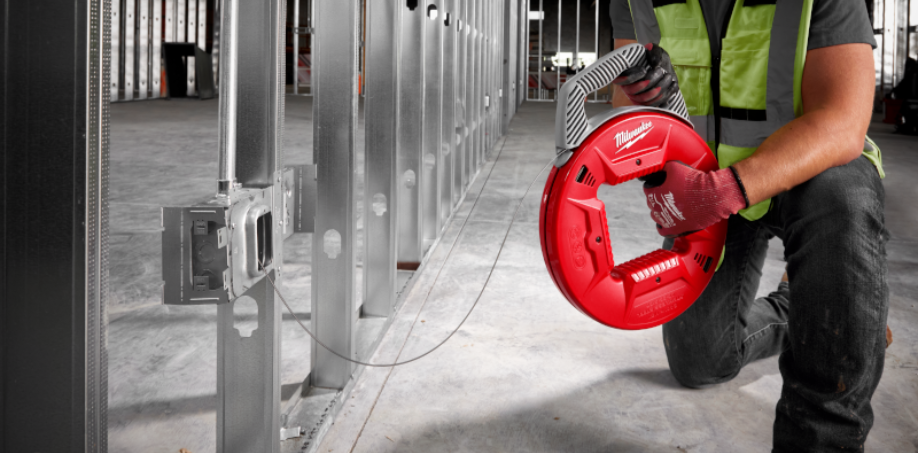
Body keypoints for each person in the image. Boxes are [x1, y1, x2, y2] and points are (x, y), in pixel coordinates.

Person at [609, 0, 890, 451]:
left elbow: (842, 119)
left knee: (845, 196)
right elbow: (624, 102)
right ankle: (819, 308)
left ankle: (824, 433)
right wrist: (646, 94)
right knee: (699, 360)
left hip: (804, 168)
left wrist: (725, 190)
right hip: (708, 181)